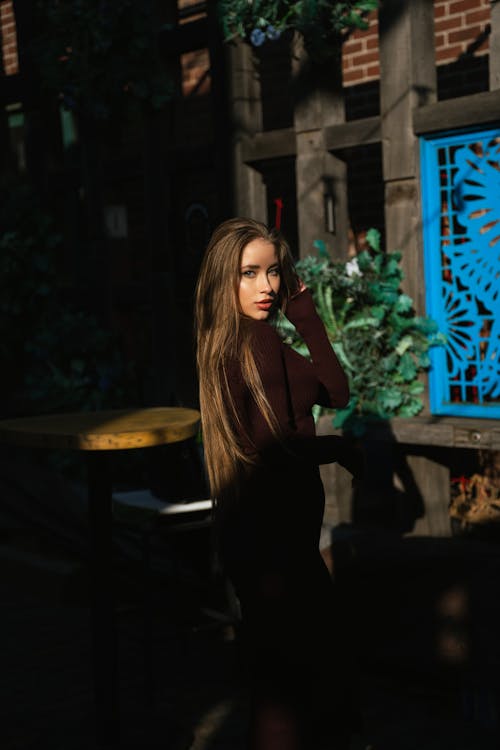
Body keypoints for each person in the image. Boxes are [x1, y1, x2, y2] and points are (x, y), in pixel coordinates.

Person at [195, 217, 361, 750]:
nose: (266, 287)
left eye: (273, 272)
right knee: (297, 686)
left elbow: (335, 392)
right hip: (276, 546)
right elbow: (272, 449)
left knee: (282, 685)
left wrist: (306, 316)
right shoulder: (252, 345)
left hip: (267, 540)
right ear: (225, 280)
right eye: (250, 273)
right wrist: (338, 449)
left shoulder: (243, 341)